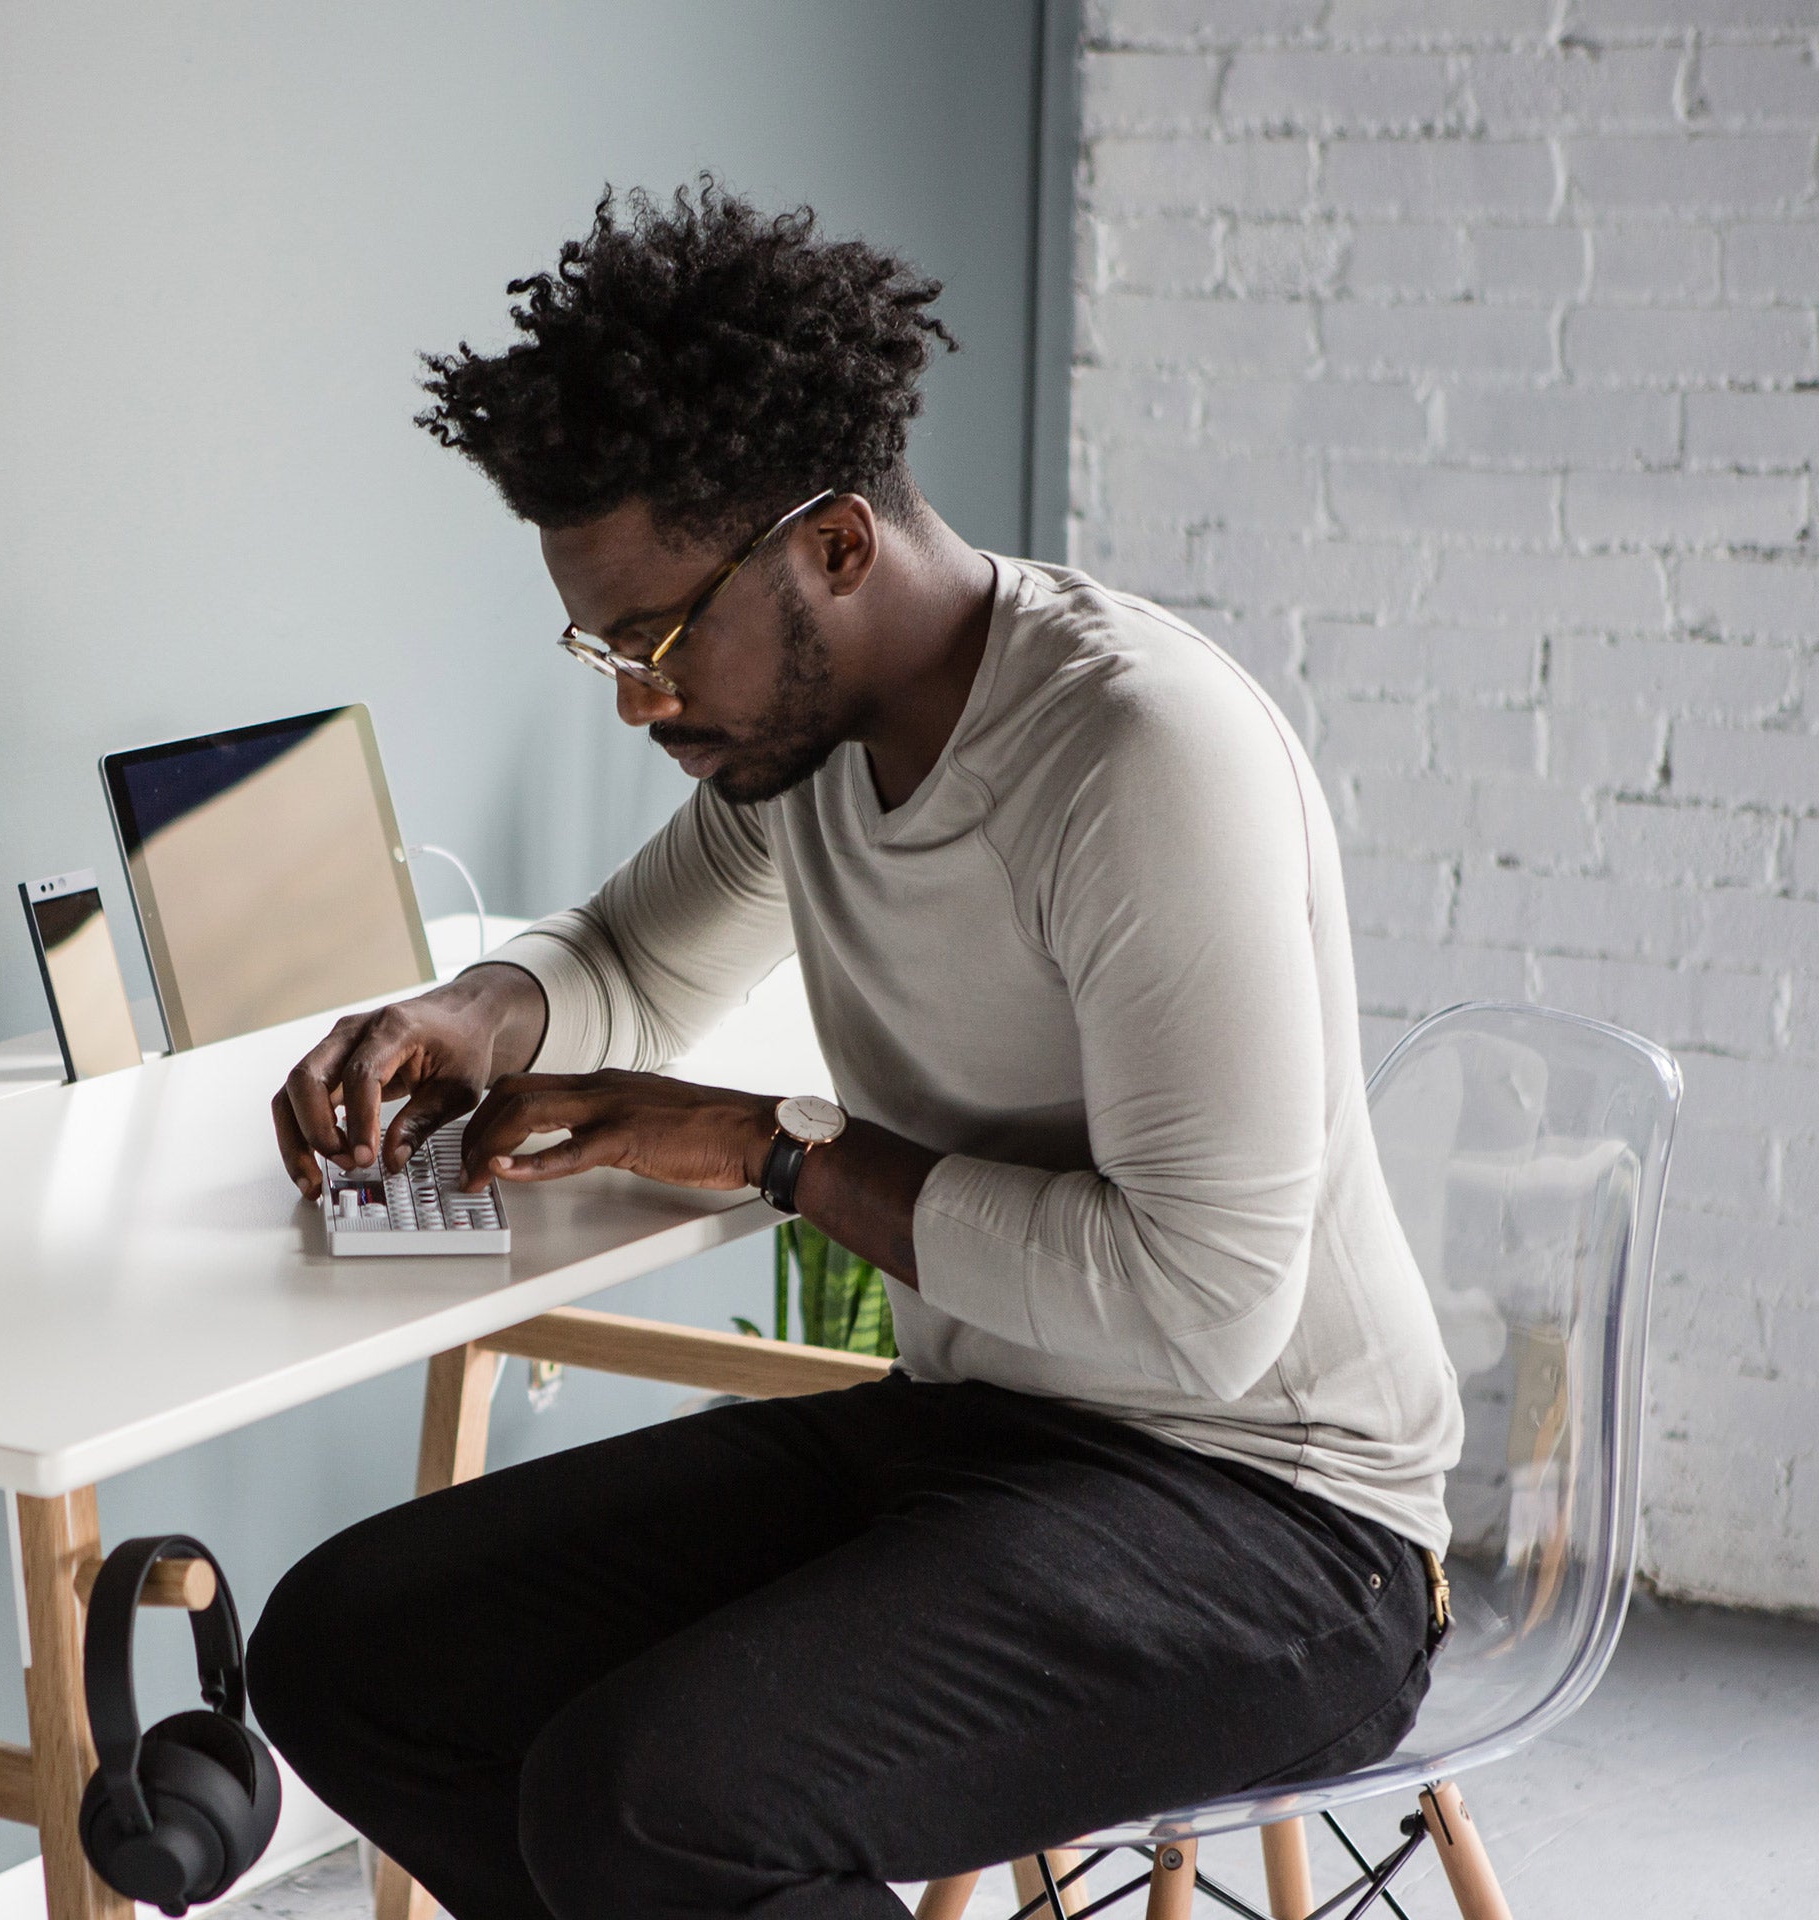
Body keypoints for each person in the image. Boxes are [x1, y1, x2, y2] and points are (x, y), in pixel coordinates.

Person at [245, 182, 1462, 1920]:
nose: (635, 698)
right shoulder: (806, 747)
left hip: (1279, 1520)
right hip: (983, 1434)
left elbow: (1208, 1306)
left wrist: (775, 1148)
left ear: (832, 546)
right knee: (354, 1651)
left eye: (658, 638)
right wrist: (472, 1015)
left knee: (644, 1806)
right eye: (602, 642)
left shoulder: (1135, 758)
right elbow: (624, 957)